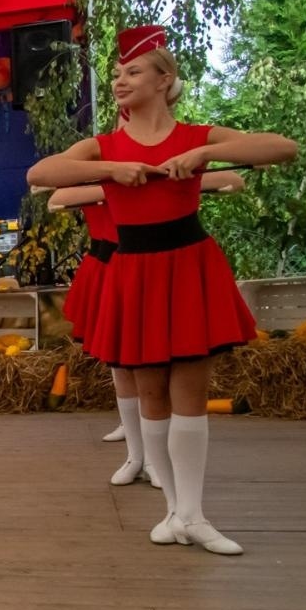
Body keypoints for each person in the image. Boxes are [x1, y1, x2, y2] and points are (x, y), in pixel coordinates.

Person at [27, 25, 296, 555]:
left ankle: (193, 515)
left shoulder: (196, 135)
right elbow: (43, 172)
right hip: (136, 271)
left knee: (190, 395)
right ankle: (173, 510)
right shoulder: (105, 145)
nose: (120, 81)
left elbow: (281, 147)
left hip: (189, 266)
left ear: (164, 78)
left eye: (132, 71)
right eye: (117, 74)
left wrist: (202, 159)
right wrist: (111, 169)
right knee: (150, 395)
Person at [49, 171, 246, 489]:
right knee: (122, 364)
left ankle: (157, 460)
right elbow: (57, 197)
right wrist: (115, 183)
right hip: (110, 265)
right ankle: (136, 455)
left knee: (163, 366)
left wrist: (164, 180)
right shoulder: (97, 173)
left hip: (155, 267)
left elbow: (233, 179)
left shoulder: (164, 169)